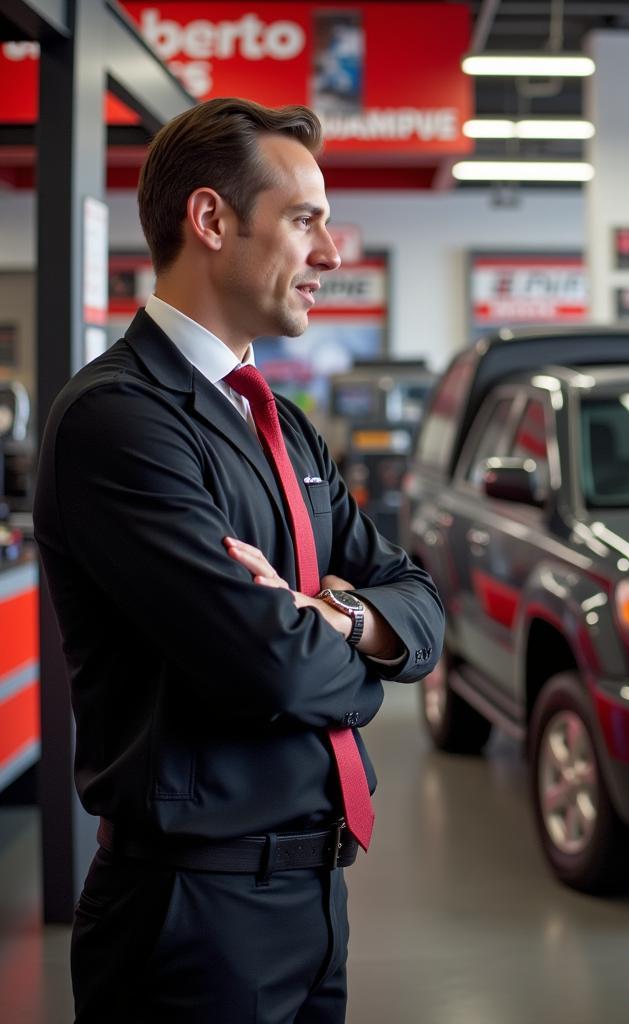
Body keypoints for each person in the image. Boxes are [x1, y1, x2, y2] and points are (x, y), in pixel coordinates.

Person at [33, 97, 444, 1024]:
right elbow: (275, 669)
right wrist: (339, 642)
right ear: (212, 219)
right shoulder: (121, 422)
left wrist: (330, 616)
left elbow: (419, 601)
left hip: (314, 899)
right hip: (191, 917)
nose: (332, 255)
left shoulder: (279, 424)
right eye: (306, 221)